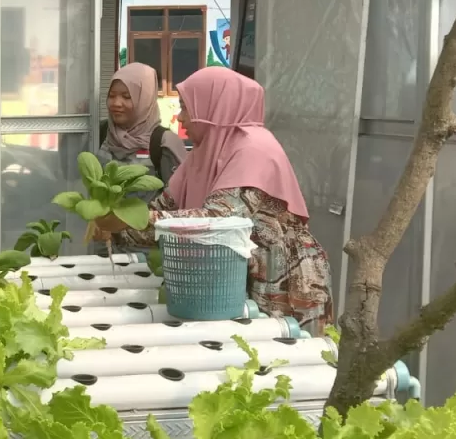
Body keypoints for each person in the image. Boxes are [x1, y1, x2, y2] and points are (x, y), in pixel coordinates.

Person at [95, 67, 333, 326]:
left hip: (283, 282)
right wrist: (116, 226)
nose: (180, 116)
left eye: (186, 107)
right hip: (230, 280)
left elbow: (217, 221)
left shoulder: (255, 149)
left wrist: (134, 219)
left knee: (283, 357)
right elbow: (165, 210)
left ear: (213, 107)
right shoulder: (202, 152)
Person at [99, 62, 187, 186]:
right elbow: (68, 174)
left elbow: (178, 195)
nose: (116, 103)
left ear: (145, 100)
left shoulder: (164, 142)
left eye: (127, 97)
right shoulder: (100, 132)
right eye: (112, 96)